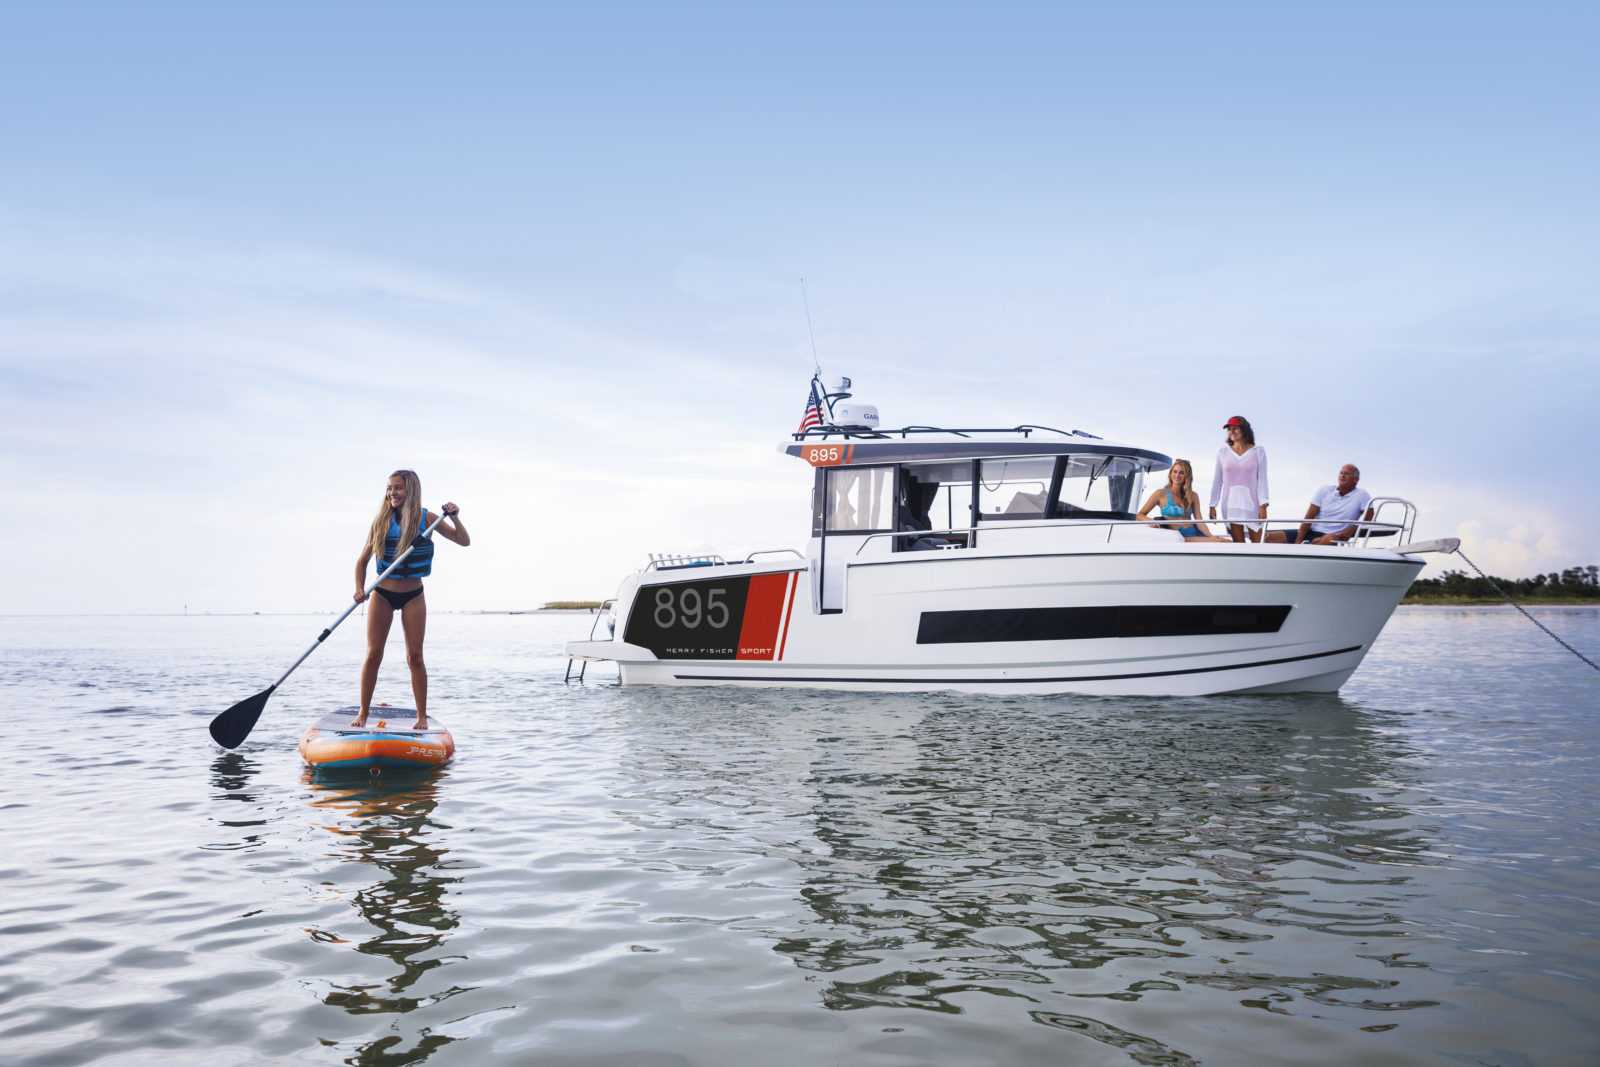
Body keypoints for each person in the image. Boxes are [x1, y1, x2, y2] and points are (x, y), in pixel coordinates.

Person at [350, 470, 469, 730]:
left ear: (411, 490)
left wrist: (455, 517)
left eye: (398, 488)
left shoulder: (427, 519)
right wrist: (359, 589)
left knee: (415, 656)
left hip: (413, 595)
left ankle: (422, 716)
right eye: (390, 488)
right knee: (374, 654)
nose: (392, 492)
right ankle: (363, 712)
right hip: (382, 594)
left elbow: (464, 541)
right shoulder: (381, 521)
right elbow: (361, 562)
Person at [1267, 464, 1374, 545]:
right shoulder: (1325, 490)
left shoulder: (1362, 495)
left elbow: (1369, 516)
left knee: (1331, 539)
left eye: (1347, 474)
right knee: (1267, 537)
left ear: (1356, 479)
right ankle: (1308, 545)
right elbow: (1308, 518)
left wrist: (1351, 530)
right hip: (1311, 532)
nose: (1342, 476)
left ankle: (1309, 545)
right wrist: (1297, 542)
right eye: (1341, 473)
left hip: (1333, 537)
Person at [1209, 416, 1269, 543]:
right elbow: (1217, 480)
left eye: (1235, 428)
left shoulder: (1258, 452)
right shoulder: (1223, 452)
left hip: (1252, 504)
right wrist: (1213, 505)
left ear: (1245, 430)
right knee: (1239, 544)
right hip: (1230, 504)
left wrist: (1263, 505)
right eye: (1229, 429)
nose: (1232, 431)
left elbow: (1262, 480)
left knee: (1257, 545)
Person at [1136, 459, 1227, 541]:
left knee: (1221, 541)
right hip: (1181, 538)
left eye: (1181, 473)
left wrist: (1211, 536)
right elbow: (1139, 515)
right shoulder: (1160, 494)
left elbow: (1199, 521)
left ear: (1186, 476)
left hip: (1195, 533)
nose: (1177, 475)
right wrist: (1151, 521)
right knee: (1219, 542)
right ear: (1170, 474)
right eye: (1175, 472)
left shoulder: (1193, 496)